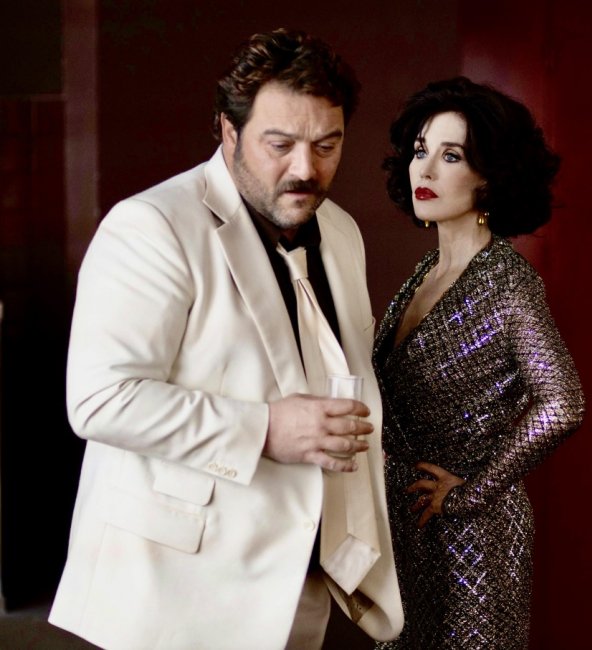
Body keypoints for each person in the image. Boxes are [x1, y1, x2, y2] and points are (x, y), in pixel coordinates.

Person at [49, 28, 403, 649]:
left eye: (327, 145)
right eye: (280, 144)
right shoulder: (152, 225)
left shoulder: (341, 231)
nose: (306, 169)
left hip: (299, 589)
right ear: (229, 132)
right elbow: (99, 400)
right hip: (173, 596)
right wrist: (264, 429)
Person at [372, 76, 585, 648]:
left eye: (451, 156)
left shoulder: (509, 282)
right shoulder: (427, 272)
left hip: (474, 536)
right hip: (411, 526)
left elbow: (563, 403)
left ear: (490, 175)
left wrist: (472, 492)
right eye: (421, 150)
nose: (425, 169)